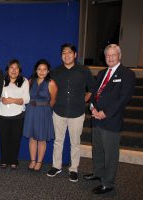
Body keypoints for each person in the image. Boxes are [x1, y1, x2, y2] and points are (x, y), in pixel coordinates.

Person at [83, 44, 135, 194]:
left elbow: (123, 98)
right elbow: (94, 93)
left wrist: (105, 112)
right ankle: (98, 174)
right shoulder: (101, 73)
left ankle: (108, 183)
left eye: (113, 55)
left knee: (110, 154)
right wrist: (92, 107)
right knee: (98, 149)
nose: (110, 58)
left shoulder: (127, 74)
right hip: (96, 117)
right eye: (108, 55)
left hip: (111, 120)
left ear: (119, 56)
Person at [47, 43, 95, 182]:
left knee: (75, 143)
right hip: (59, 111)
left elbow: (92, 88)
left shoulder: (84, 70)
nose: (66, 55)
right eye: (63, 53)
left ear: (74, 55)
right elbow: (50, 89)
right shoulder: (56, 71)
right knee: (58, 141)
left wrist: (83, 100)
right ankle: (56, 166)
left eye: (69, 52)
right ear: (61, 55)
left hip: (77, 112)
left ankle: (73, 169)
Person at [23, 59, 57, 171]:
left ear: (48, 71)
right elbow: (25, 96)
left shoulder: (51, 83)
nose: (42, 72)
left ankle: (39, 162)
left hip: (43, 112)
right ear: (36, 70)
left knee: (42, 139)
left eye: (44, 69)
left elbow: (53, 101)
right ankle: (33, 160)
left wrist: (44, 109)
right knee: (32, 138)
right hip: (31, 112)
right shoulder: (30, 81)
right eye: (39, 69)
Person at [0, 59, 30, 169]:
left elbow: (26, 99)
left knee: (15, 139)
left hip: (18, 115)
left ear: (19, 70)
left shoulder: (24, 81)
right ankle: (4, 160)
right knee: (4, 139)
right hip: (3, 115)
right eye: (11, 67)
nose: (14, 70)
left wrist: (13, 100)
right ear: (7, 69)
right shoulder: (1, 80)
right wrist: (1, 99)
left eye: (16, 68)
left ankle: (13, 160)